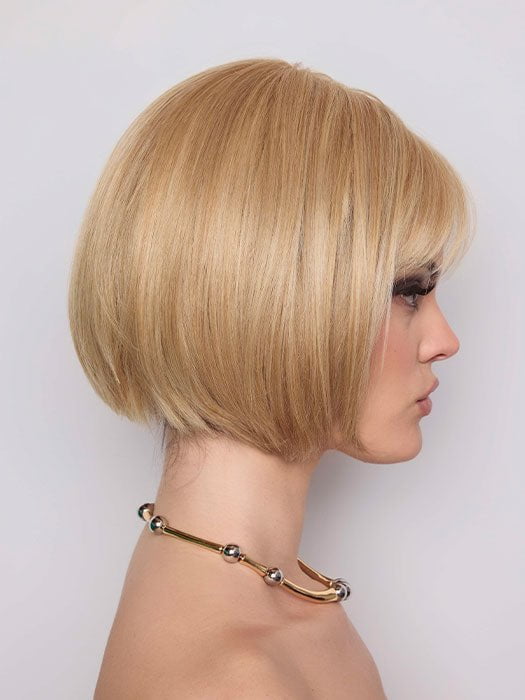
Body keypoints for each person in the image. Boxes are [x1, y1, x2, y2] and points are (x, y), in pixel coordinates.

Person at [68, 57, 474, 698]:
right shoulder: (231, 679)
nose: (445, 341)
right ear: (278, 298)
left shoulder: (272, 597)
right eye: (408, 291)